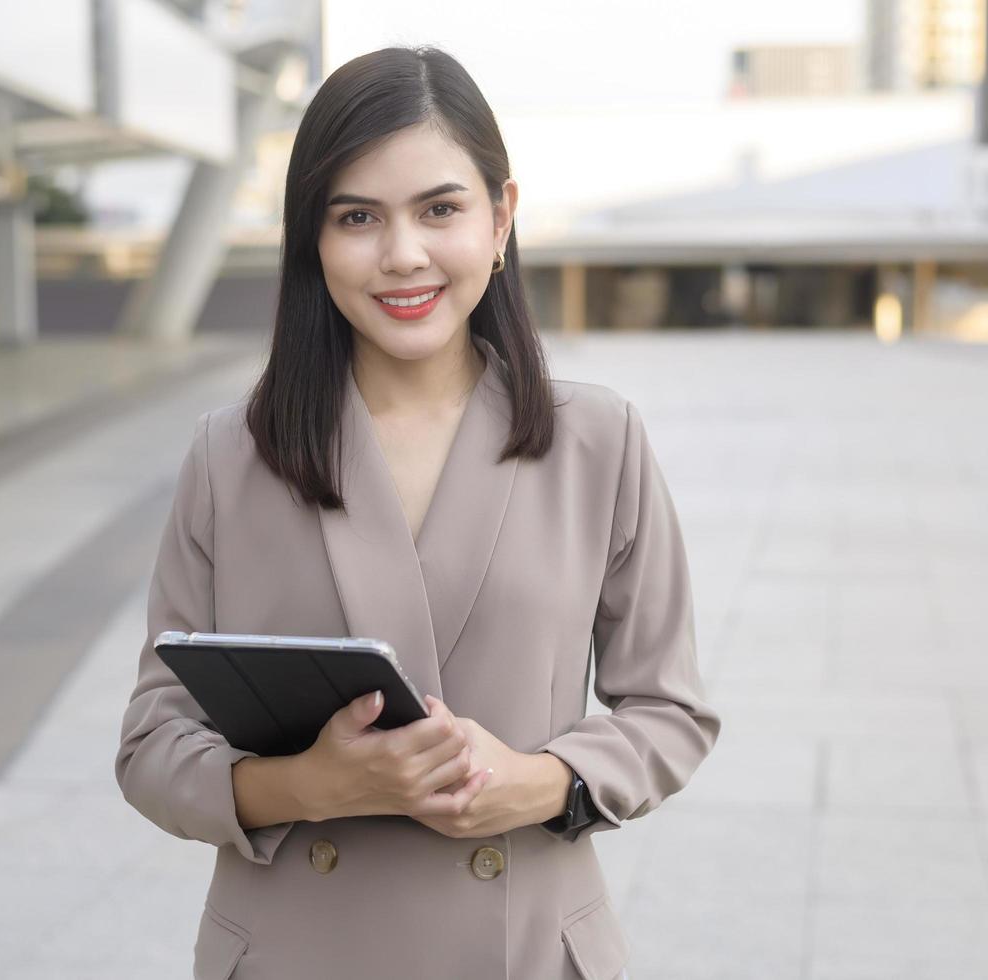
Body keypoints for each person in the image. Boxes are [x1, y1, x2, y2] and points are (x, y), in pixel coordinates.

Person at [114, 44, 720, 980]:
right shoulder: (229, 455)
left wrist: (533, 783)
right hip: (295, 950)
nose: (402, 255)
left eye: (440, 209)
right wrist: (305, 787)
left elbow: (670, 712)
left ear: (500, 217)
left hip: (522, 944)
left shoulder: (598, 440)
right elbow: (153, 742)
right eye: (357, 217)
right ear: (311, 238)